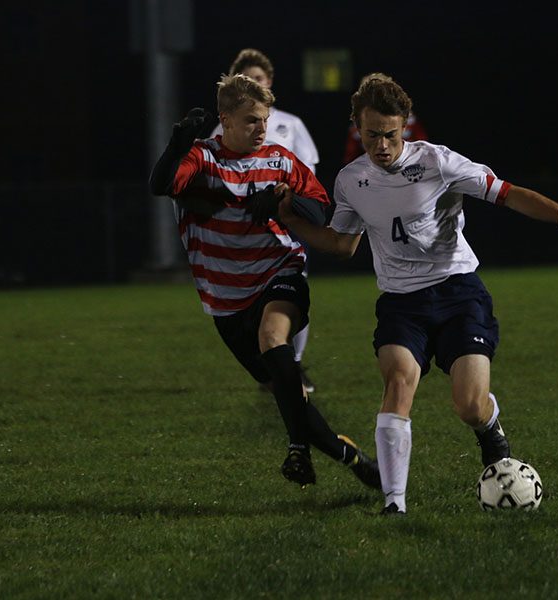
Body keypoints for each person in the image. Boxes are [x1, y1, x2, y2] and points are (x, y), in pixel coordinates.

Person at [276, 73, 558, 515]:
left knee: (469, 406)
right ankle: (394, 504)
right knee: (398, 383)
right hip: (402, 302)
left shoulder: (439, 162)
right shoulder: (351, 180)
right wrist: (292, 221)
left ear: (405, 127)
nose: (380, 145)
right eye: (370, 134)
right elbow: (342, 244)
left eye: (390, 135)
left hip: (459, 293)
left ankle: (490, 431)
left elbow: (509, 195)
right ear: (357, 128)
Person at [148, 72, 380, 490]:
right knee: (289, 396)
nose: (262, 129)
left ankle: (296, 450)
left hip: (279, 271)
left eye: (265, 119)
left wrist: (283, 200)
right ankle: (351, 457)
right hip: (225, 300)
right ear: (227, 120)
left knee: (274, 339)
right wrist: (177, 143)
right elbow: (160, 185)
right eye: (252, 120)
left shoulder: (279, 161)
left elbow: (317, 210)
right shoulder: (201, 160)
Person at [210, 48, 319, 393]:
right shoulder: (221, 128)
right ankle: (268, 365)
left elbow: (307, 173)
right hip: (243, 229)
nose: (254, 84)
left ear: (269, 82)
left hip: (284, 224)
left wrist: (286, 200)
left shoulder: (290, 124)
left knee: (293, 292)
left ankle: (293, 364)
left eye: (258, 78)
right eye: (247, 80)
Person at [343, 108, 427, 165]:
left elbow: (422, 148)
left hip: (407, 168)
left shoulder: (409, 121)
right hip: (372, 173)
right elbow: (350, 157)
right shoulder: (358, 126)